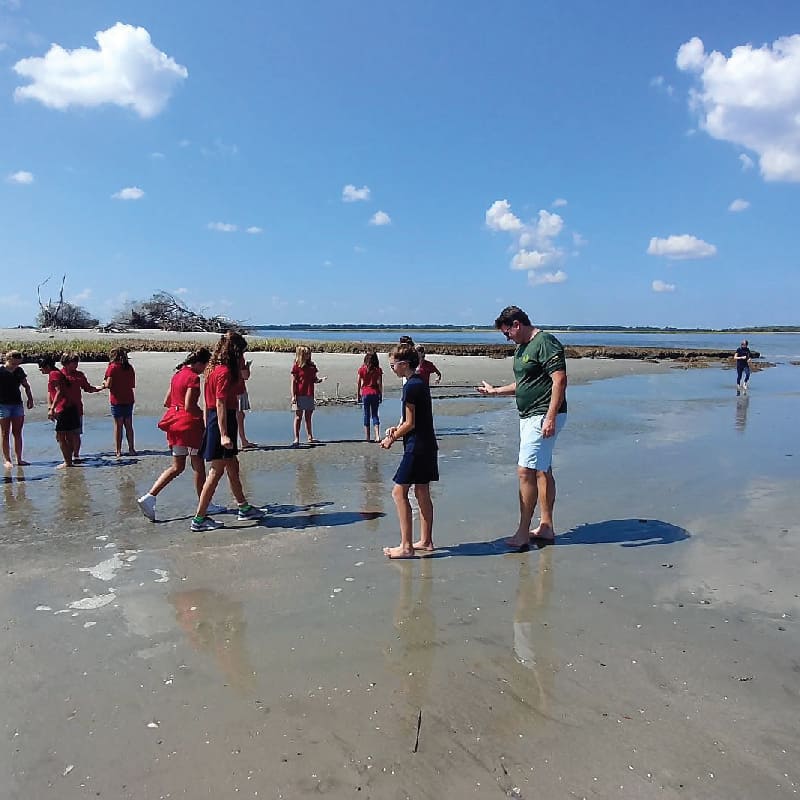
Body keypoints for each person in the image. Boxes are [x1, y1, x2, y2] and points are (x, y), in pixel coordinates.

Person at [477, 306, 567, 550]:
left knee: (525, 471)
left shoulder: (544, 342)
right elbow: (524, 383)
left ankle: (523, 532)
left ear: (517, 324)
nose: (507, 338)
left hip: (543, 414)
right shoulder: (522, 349)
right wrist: (495, 391)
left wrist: (550, 417)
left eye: (507, 333)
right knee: (542, 469)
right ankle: (546, 526)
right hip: (529, 415)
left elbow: (559, 379)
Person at [136, 348, 226, 522]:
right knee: (198, 466)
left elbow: (167, 402)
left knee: (177, 466)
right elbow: (189, 405)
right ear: (200, 363)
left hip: (174, 422)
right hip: (189, 425)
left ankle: (150, 496)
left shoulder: (178, 375)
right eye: (206, 365)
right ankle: (205, 503)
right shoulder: (193, 378)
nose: (205, 369)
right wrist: (202, 416)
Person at [191, 332, 263, 533]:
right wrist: (223, 434)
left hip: (220, 419)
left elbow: (231, 393)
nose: (243, 357)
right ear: (235, 352)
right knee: (216, 471)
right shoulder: (221, 372)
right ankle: (199, 518)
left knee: (233, 465)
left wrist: (243, 373)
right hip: (222, 421)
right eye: (241, 353)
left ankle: (243, 506)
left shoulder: (215, 370)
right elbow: (219, 403)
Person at [380, 343, 438, 558]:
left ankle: (406, 546)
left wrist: (391, 438)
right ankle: (426, 540)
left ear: (404, 364)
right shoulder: (418, 382)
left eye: (393, 365)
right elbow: (408, 418)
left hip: (418, 446)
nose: (392, 368)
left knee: (398, 492)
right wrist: (397, 427)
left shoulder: (411, 386)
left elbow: (411, 423)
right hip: (427, 444)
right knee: (421, 490)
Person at [60, 353, 103, 463]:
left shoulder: (79, 375)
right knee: (64, 434)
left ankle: (76, 455)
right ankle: (68, 456)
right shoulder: (60, 374)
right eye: (73, 363)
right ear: (66, 363)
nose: (76, 365)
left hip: (77, 408)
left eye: (77, 362)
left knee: (76, 433)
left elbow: (87, 388)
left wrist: (99, 388)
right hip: (62, 408)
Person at [38, 355, 77, 469]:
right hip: (69, 407)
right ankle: (69, 460)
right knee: (68, 435)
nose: (40, 370)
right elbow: (51, 392)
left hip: (64, 407)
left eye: (41, 367)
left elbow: (59, 392)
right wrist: (51, 406)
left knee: (60, 436)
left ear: (47, 366)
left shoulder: (54, 374)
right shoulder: (57, 372)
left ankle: (67, 462)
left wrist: (52, 408)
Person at [0, 350, 34, 468]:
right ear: (8, 359)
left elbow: (26, 386)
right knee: (5, 433)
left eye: (18, 363)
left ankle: (19, 458)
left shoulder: (19, 371)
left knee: (17, 432)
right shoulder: (1, 371)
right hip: (3, 405)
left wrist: (30, 399)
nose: (16, 365)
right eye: (14, 363)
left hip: (17, 404)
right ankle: (7, 460)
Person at [103, 347, 137, 457]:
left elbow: (108, 384)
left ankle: (118, 451)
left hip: (117, 399)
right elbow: (132, 384)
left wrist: (103, 383)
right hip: (128, 398)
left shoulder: (112, 368)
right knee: (128, 425)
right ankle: (131, 449)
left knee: (118, 426)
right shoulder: (129, 367)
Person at [290, 345, 325, 446]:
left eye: (309, 354)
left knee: (308, 417)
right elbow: (293, 382)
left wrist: (320, 380)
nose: (309, 356)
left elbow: (314, 379)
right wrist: (293, 396)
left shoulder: (312, 367)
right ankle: (296, 438)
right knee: (298, 417)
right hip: (299, 394)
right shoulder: (297, 367)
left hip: (309, 394)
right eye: (307, 354)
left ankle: (310, 436)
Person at [356, 351, 383, 442]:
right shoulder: (378, 370)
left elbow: (359, 382)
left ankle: (367, 437)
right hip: (375, 392)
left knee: (366, 414)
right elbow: (379, 383)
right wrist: (381, 394)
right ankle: (377, 435)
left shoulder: (362, 369)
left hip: (365, 393)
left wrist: (358, 394)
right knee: (375, 414)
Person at [236, 359, 257, 449]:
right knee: (239, 415)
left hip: (230, 389)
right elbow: (245, 376)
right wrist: (248, 366)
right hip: (238, 389)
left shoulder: (226, 357)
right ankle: (243, 441)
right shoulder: (239, 358)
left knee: (238, 415)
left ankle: (242, 440)